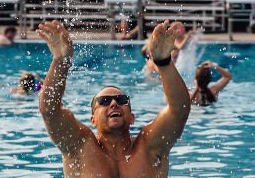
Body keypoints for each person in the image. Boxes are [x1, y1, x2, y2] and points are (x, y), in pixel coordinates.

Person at [36, 19, 190, 177]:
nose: (114, 103)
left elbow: (180, 111)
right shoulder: (80, 146)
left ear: (132, 118)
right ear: (92, 120)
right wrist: (60, 62)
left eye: (122, 100)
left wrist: (163, 62)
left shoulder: (149, 145)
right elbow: (49, 111)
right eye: (104, 102)